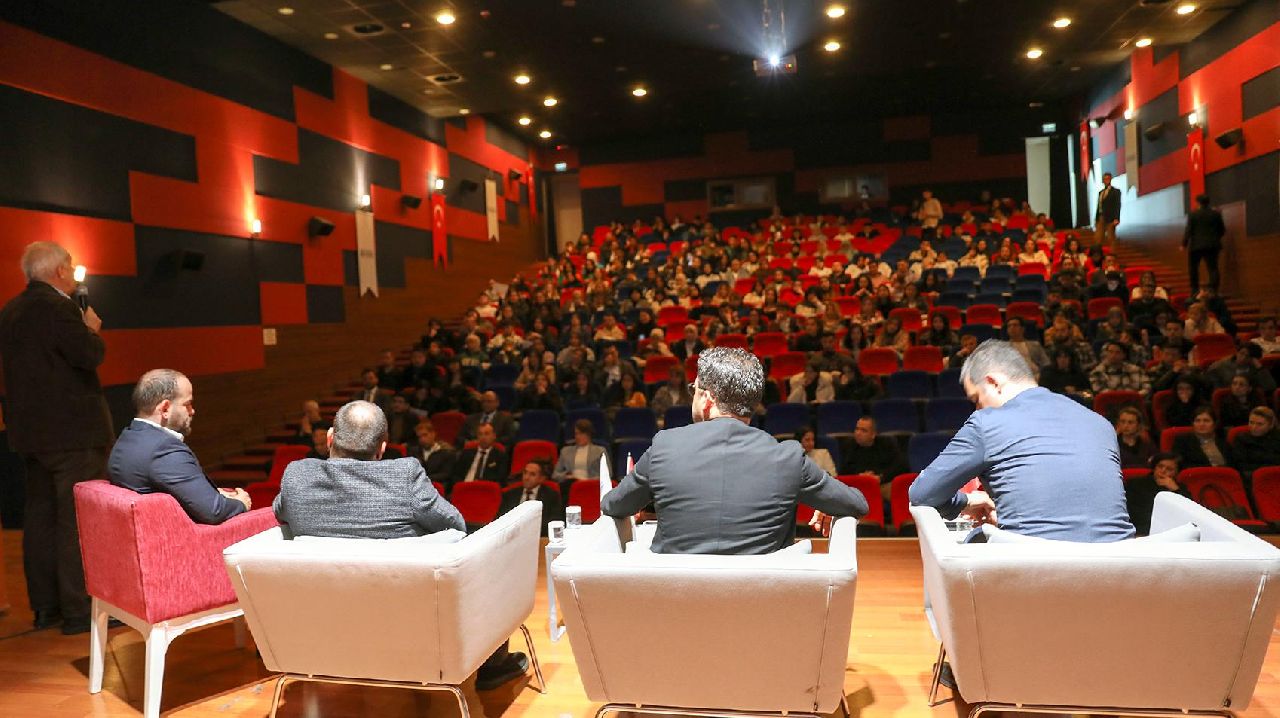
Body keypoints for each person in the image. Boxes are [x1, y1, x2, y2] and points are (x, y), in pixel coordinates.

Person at [273, 400, 528, 691]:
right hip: (409, 631)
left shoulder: (297, 476)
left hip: (325, 630)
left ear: (330, 438)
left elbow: (281, 511)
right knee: (488, 551)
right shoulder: (404, 475)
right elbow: (455, 524)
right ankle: (494, 665)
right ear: (382, 447)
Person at [600, 347, 868, 554]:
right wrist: (827, 503)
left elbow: (613, 505)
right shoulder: (788, 457)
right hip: (761, 605)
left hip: (677, 604)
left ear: (707, 399)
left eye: (695, 389)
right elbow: (856, 504)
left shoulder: (664, 447)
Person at [909, 340, 1134, 542]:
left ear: (993, 382)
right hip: (1120, 564)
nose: (977, 408)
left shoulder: (986, 422)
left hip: (1034, 566)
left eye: (976, 399)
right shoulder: (1100, 423)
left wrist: (964, 502)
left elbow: (922, 494)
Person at [0, 242, 114, 634]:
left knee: (40, 518)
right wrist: (91, 329)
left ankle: (46, 608)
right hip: (72, 434)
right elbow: (88, 355)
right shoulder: (60, 309)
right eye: (69, 265)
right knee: (76, 519)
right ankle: (80, 609)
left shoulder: (10, 311)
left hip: (30, 435)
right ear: (60, 271)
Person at [109, 367, 252, 526]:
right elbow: (214, 511)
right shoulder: (164, 450)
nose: (192, 411)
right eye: (187, 404)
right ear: (165, 409)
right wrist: (241, 503)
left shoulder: (127, 438)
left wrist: (213, 495)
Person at [841, 417, 908, 502]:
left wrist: (880, 477)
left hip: (882, 484)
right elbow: (843, 471)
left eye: (863, 430)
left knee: (899, 491)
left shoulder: (887, 444)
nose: (858, 433)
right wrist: (859, 476)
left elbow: (901, 466)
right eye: (857, 429)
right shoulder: (849, 445)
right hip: (858, 487)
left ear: (873, 435)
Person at [1125, 453, 1190, 536]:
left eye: (1169, 469)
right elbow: (1135, 515)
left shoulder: (1179, 488)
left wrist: (1175, 490)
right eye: (1160, 466)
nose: (1163, 471)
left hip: (1171, 531)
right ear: (1154, 467)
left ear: (1176, 473)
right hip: (1141, 532)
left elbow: (1189, 512)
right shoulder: (1136, 484)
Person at [498, 460, 565, 535]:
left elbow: (554, 521)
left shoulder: (551, 496)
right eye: (525, 473)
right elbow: (501, 519)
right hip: (513, 535)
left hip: (539, 535)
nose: (526, 477)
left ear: (541, 479)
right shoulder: (510, 494)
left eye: (532, 474)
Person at [1183, 194, 1226, 295]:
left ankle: (1195, 289)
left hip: (1196, 246)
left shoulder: (1193, 214)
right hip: (1212, 245)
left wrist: (1184, 244)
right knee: (1213, 268)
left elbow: (1188, 230)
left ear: (1198, 203)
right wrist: (1215, 238)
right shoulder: (1216, 214)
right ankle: (1214, 290)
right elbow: (1222, 230)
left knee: (1193, 268)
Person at [449, 422, 510, 490]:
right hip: (464, 488)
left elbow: (501, 480)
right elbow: (456, 475)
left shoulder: (500, 457)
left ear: (494, 436)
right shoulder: (466, 454)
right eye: (480, 434)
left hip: (485, 489)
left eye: (486, 434)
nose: (483, 437)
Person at [552, 419, 608, 485]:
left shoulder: (600, 451)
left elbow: (607, 474)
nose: (578, 437)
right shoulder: (565, 451)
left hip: (592, 484)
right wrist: (566, 476)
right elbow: (555, 474)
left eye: (581, 434)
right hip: (571, 484)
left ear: (589, 435)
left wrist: (590, 480)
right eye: (576, 434)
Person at [1234, 407, 1280, 479]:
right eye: (1251, 422)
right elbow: (1240, 465)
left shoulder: (1277, 437)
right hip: (1252, 477)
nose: (1254, 427)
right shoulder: (1241, 439)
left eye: (1260, 424)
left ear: (1270, 425)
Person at [1095, 172, 1121, 246]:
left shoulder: (1115, 192)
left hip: (1110, 218)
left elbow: (1117, 205)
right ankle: (1099, 252)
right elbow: (1099, 206)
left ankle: (1112, 252)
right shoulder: (1101, 192)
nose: (1106, 180)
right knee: (1098, 237)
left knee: (1111, 237)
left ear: (1110, 179)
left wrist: (1116, 218)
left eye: (1108, 179)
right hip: (1100, 217)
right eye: (1105, 179)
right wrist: (1096, 218)